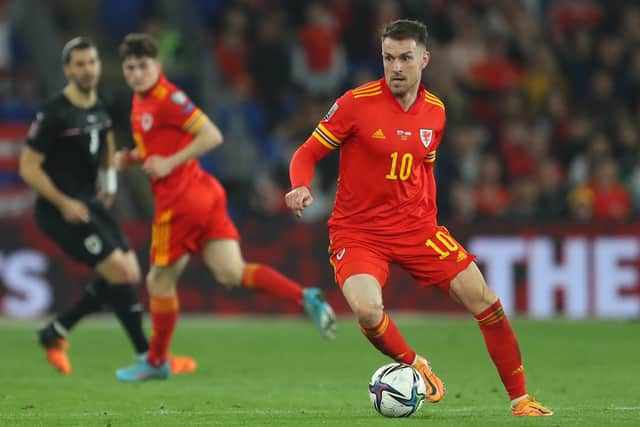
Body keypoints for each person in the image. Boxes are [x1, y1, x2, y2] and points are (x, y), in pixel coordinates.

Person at [285, 19, 553, 417]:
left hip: (417, 229)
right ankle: (416, 364)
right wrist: (300, 185)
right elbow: (306, 153)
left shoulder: (436, 112)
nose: (395, 67)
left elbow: (422, 168)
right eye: (388, 58)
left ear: (424, 59)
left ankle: (521, 400)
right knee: (366, 310)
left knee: (487, 302)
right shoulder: (355, 104)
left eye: (405, 58)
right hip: (358, 232)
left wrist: (427, 218)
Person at [114, 33, 336, 382]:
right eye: (131, 67)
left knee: (158, 280)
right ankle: (304, 295)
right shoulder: (141, 102)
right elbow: (159, 145)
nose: (138, 73)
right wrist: (133, 157)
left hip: (181, 200)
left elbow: (211, 136)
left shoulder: (168, 97)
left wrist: (170, 163)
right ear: (124, 71)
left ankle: (156, 362)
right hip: (205, 195)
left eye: (144, 66)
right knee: (232, 272)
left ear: (157, 66)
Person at [19, 37, 195, 377]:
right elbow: (28, 166)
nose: (88, 69)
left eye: (93, 62)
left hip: (91, 203)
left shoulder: (101, 106)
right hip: (59, 209)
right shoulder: (55, 112)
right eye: (80, 64)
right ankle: (149, 357)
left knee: (125, 272)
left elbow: (108, 147)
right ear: (67, 69)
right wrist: (64, 202)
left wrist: (111, 186)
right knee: (122, 274)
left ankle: (55, 331)